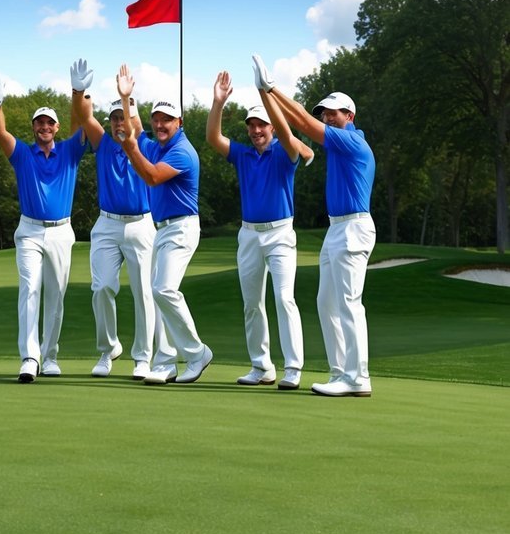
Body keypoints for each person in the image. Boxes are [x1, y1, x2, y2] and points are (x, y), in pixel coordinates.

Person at [252, 55, 375, 397]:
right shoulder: (337, 144)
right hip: (336, 229)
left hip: (354, 227)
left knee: (349, 302)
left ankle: (359, 377)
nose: (326, 116)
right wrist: (267, 94)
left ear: (349, 116)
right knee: (327, 302)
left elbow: (303, 122)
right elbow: (297, 124)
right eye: (325, 112)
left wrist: (272, 87)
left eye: (333, 112)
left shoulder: (350, 141)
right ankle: (340, 372)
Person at [206, 71, 313, 391]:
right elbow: (213, 137)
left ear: (272, 127)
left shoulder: (286, 151)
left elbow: (290, 135)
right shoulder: (243, 154)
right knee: (251, 302)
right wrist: (218, 102)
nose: (255, 130)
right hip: (249, 234)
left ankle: (293, 367)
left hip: (280, 233)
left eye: (261, 125)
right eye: (251, 125)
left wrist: (266, 92)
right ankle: (261, 366)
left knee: (284, 298)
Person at [114, 64, 214, 385]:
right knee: (158, 293)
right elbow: (138, 128)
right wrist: (127, 99)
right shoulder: (158, 143)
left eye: (167, 120)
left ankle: (197, 353)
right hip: (163, 228)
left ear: (179, 123)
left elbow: (153, 177)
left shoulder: (182, 152)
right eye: (157, 118)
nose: (159, 124)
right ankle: (167, 361)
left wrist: (129, 147)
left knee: (163, 289)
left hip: (182, 228)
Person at [0, 73, 86, 382]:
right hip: (29, 231)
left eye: (49, 123)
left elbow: (82, 127)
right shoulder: (22, 154)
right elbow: (1, 134)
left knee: (56, 293)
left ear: (55, 128)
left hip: (61, 231)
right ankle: (30, 356)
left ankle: (50, 354)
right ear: (34, 127)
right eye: (39, 123)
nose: (44, 127)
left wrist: (77, 92)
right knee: (29, 289)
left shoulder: (69, 150)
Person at [68, 59, 156, 380]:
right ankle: (108, 349)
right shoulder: (103, 142)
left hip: (141, 224)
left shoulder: (144, 143)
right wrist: (78, 91)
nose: (120, 123)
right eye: (115, 118)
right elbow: (83, 115)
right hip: (107, 224)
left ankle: (143, 357)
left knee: (144, 292)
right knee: (102, 287)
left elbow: (135, 128)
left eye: (125, 117)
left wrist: (125, 98)